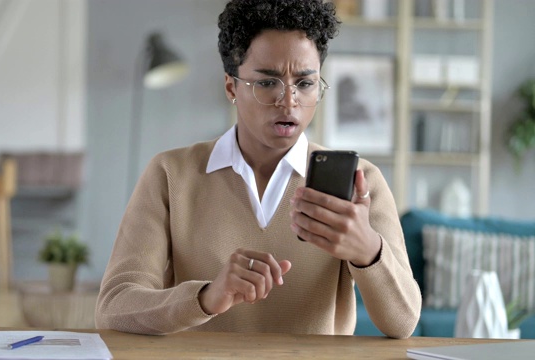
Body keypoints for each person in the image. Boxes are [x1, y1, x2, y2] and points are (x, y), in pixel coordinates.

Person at [95, 0, 421, 338]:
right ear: (231, 87)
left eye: (305, 83)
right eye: (268, 83)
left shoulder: (361, 183)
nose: (289, 101)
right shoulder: (169, 175)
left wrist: (368, 250)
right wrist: (205, 298)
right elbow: (114, 308)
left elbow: (403, 324)